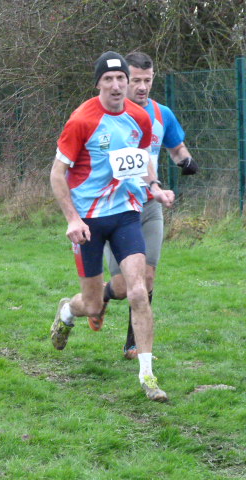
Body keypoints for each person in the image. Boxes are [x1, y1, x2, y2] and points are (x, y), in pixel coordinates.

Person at [49, 52, 175, 402]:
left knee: (138, 290)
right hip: (88, 221)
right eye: (109, 79)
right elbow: (57, 174)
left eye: (122, 78)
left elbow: (143, 161)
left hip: (125, 213)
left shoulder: (139, 118)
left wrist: (154, 188)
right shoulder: (82, 121)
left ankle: (148, 376)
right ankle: (65, 311)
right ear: (99, 84)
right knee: (92, 305)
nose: (118, 85)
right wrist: (73, 219)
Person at [93, 51, 199, 359]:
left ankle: (133, 343)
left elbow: (175, 147)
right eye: (136, 80)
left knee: (147, 276)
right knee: (124, 284)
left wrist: (186, 161)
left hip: (149, 203)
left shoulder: (160, 113)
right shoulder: (104, 116)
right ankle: (101, 295)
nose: (142, 87)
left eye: (147, 81)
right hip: (114, 206)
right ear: (122, 80)